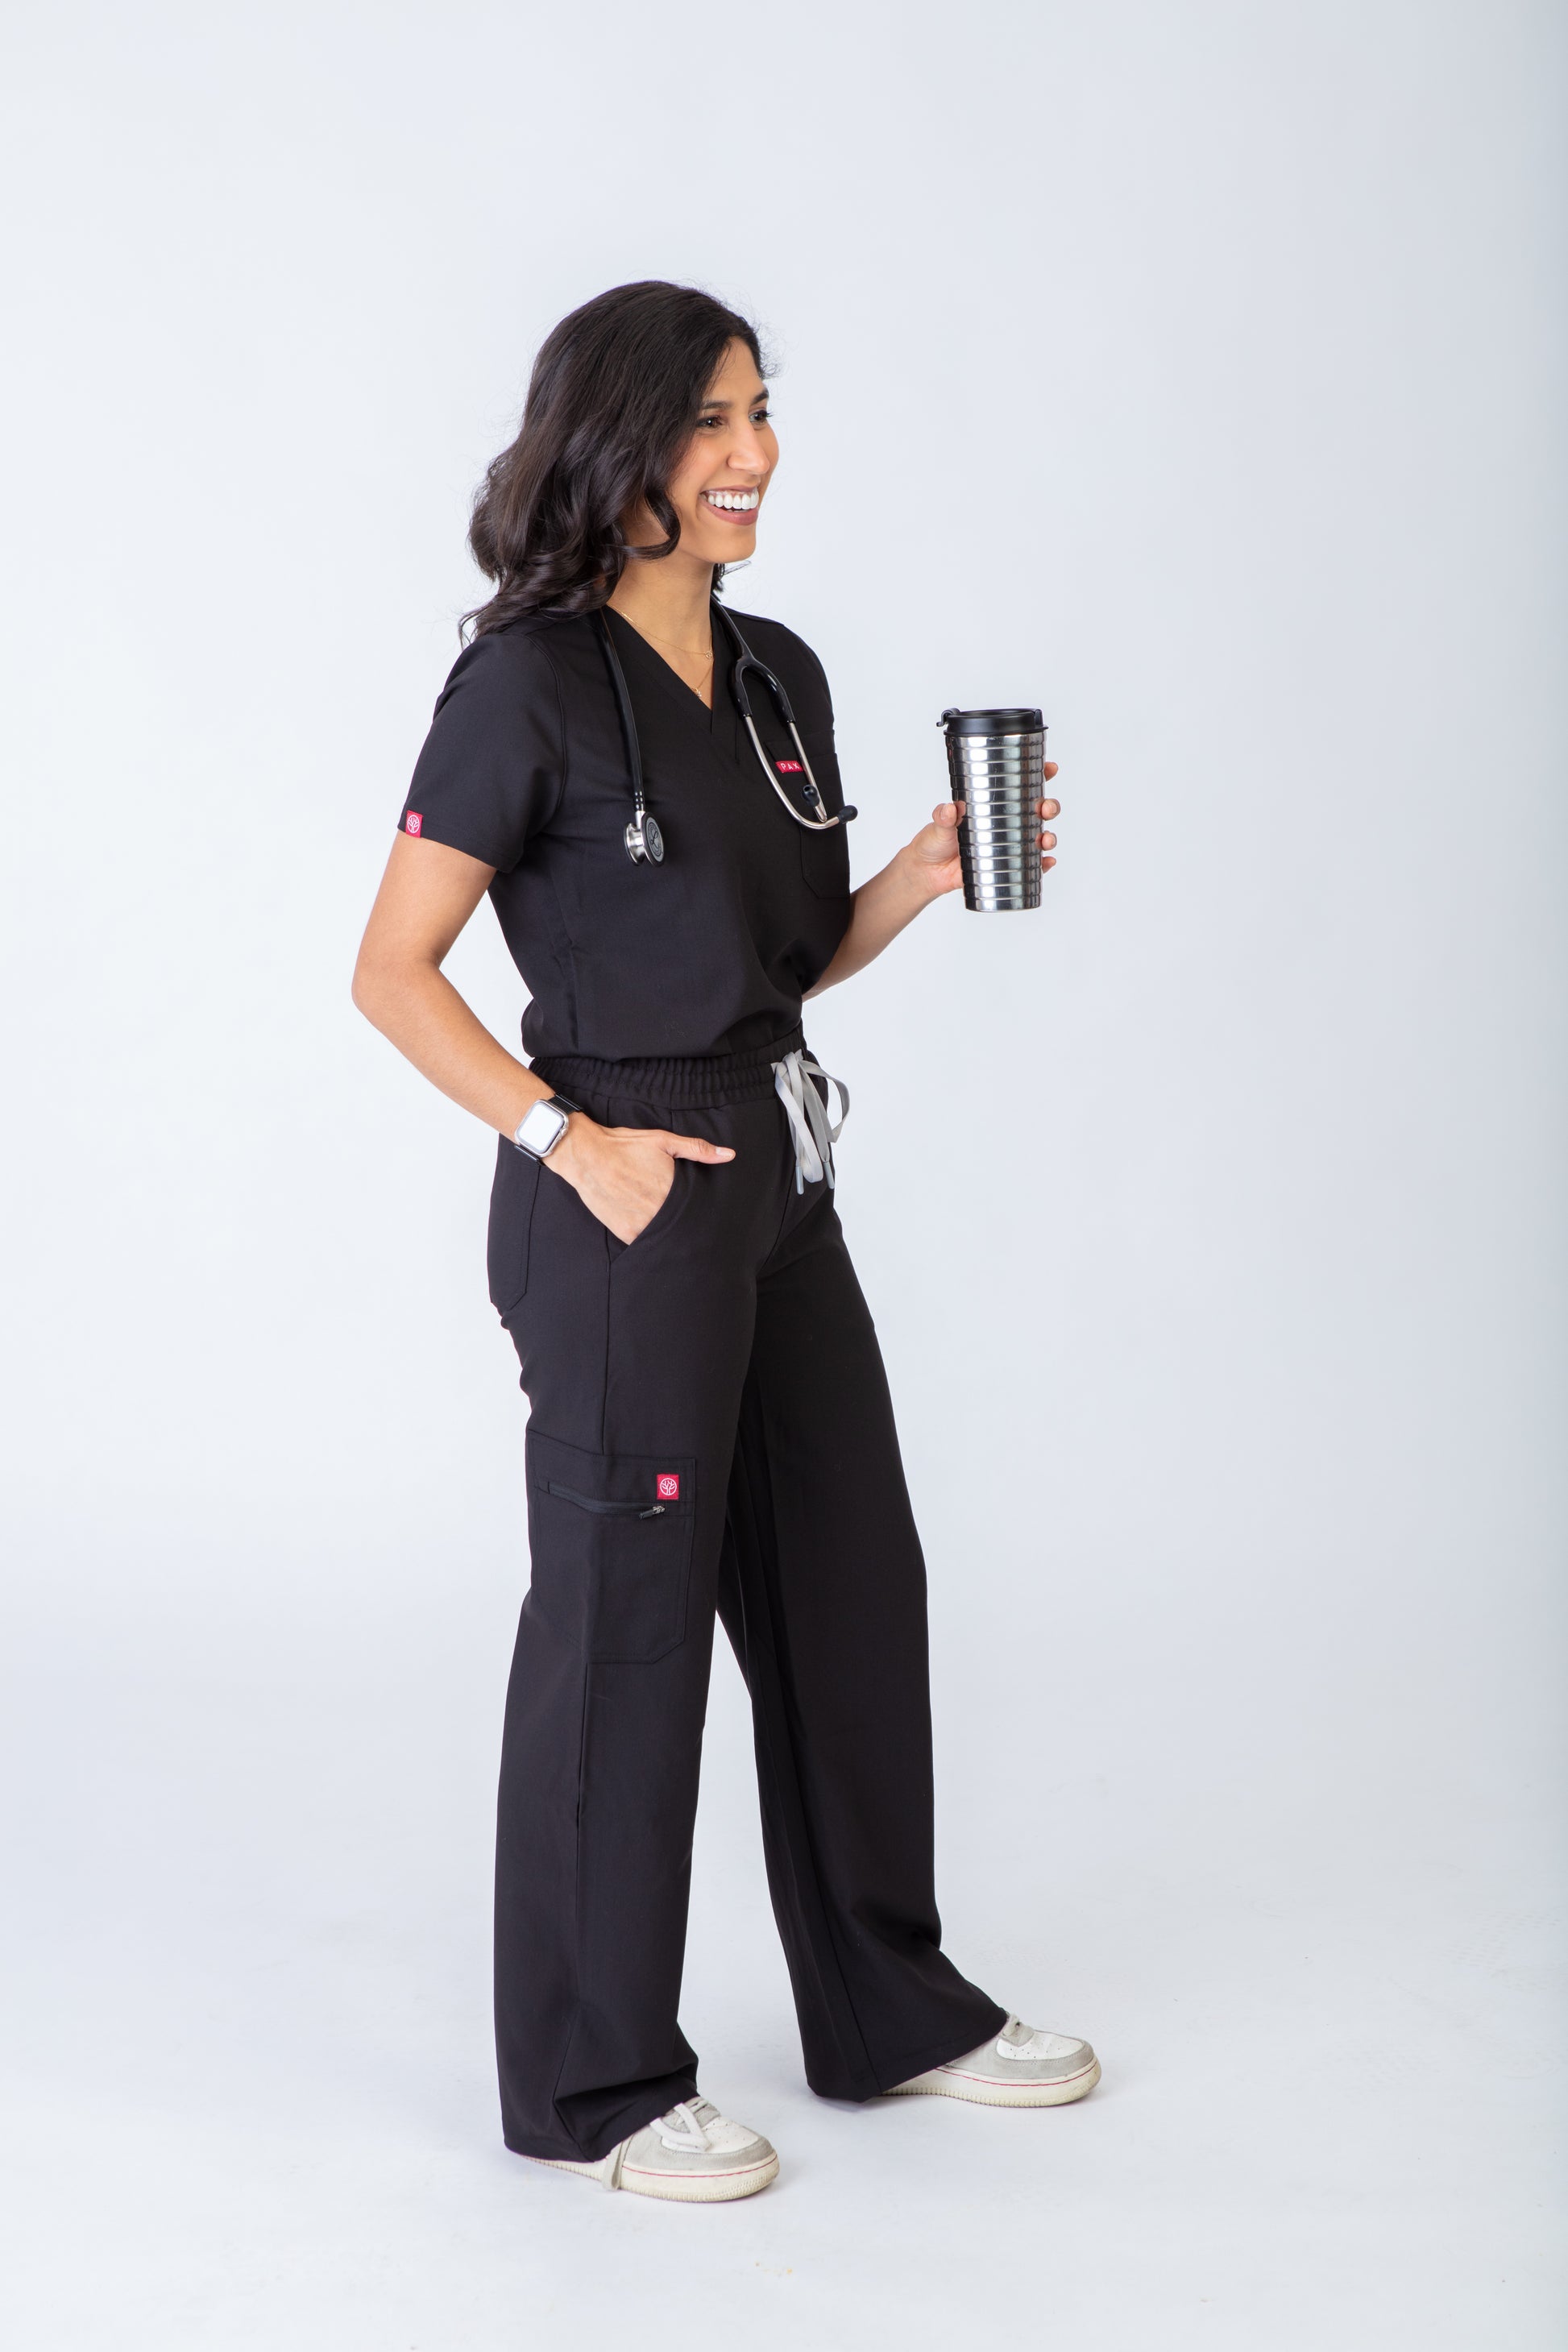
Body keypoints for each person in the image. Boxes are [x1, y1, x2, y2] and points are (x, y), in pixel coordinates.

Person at [352, 280, 1094, 2205]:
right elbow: (390, 969)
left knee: (853, 1580)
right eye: (706, 422)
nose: (751, 452)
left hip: (776, 1173)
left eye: (761, 410)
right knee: (623, 1630)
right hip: (623, 1200)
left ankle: (888, 2007)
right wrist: (562, 1136)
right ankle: (596, 2081)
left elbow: (775, 959)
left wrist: (914, 883)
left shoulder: (777, 675)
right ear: (616, 446)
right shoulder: (523, 683)